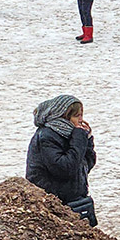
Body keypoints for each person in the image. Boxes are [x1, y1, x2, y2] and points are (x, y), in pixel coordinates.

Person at [25, 95, 97, 226]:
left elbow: (86, 165)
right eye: (77, 116)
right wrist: (80, 138)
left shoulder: (70, 135)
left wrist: (88, 140)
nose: (81, 121)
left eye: (81, 115)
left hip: (74, 199)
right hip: (54, 204)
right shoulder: (47, 137)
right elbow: (65, 169)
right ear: (63, 117)